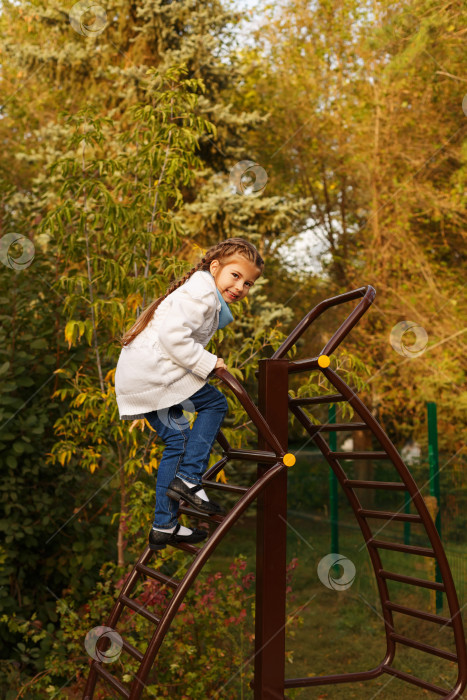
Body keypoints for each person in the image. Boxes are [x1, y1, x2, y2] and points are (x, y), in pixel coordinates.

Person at [115, 238, 264, 551]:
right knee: (215, 403)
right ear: (215, 267)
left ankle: (163, 525)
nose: (240, 287)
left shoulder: (203, 293)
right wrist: (208, 363)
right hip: (153, 375)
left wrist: (202, 363)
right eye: (235, 276)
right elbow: (173, 337)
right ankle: (189, 478)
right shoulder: (201, 292)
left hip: (144, 376)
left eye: (248, 283)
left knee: (177, 438)